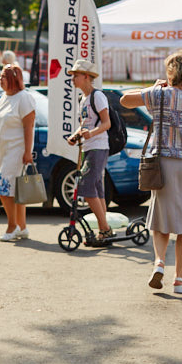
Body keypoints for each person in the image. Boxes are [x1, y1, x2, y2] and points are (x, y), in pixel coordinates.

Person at [121, 50, 182, 294]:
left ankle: (159, 262)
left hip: (162, 165)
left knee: (161, 218)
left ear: (171, 72)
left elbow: (124, 100)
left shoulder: (159, 95)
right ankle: (180, 279)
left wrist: (154, 88)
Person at [67, 59, 112, 239]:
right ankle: (104, 229)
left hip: (98, 147)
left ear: (86, 77)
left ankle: (105, 228)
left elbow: (106, 123)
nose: (73, 79)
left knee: (86, 188)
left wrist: (91, 134)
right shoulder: (82, 99)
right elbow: (84, 124)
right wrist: (75, 135)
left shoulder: (97, 96)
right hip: (89, 147)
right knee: (96, 188)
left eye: (75, 75)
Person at [0, 64, 36, 242]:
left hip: (16, 150)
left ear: (13, 78)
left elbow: (29, 126)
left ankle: (12, 226)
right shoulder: (1, 97)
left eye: (3, 76)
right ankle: (22, 227)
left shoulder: (24, 98)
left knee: (3, 188)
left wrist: (27, 151)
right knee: (15, 189)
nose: (0, 79)